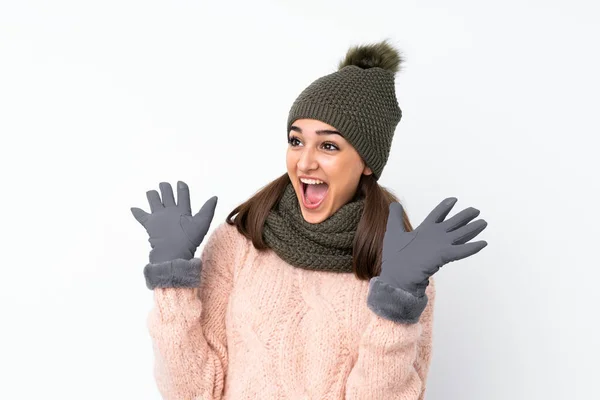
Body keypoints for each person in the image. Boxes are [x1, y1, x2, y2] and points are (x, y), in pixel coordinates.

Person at [131, 39, 488, 400]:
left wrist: (396, 305)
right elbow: (190, 392)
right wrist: (172, 280)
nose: (304, 163)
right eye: (296, 140)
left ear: (366, 161)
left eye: (328, 146)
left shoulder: (400, 264)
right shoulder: (240, 242)